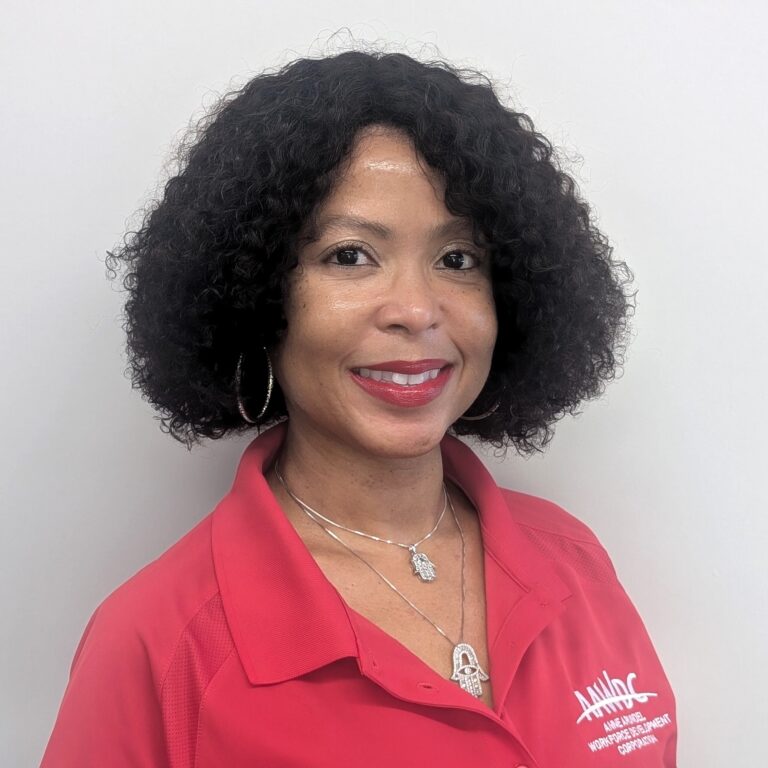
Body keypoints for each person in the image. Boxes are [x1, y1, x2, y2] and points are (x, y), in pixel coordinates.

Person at [41, 49, 677, 766]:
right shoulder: (160, 645)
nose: (415, 309)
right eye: (350, 256)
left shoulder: (573, 563)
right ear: (258, 298)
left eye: (458, 259)